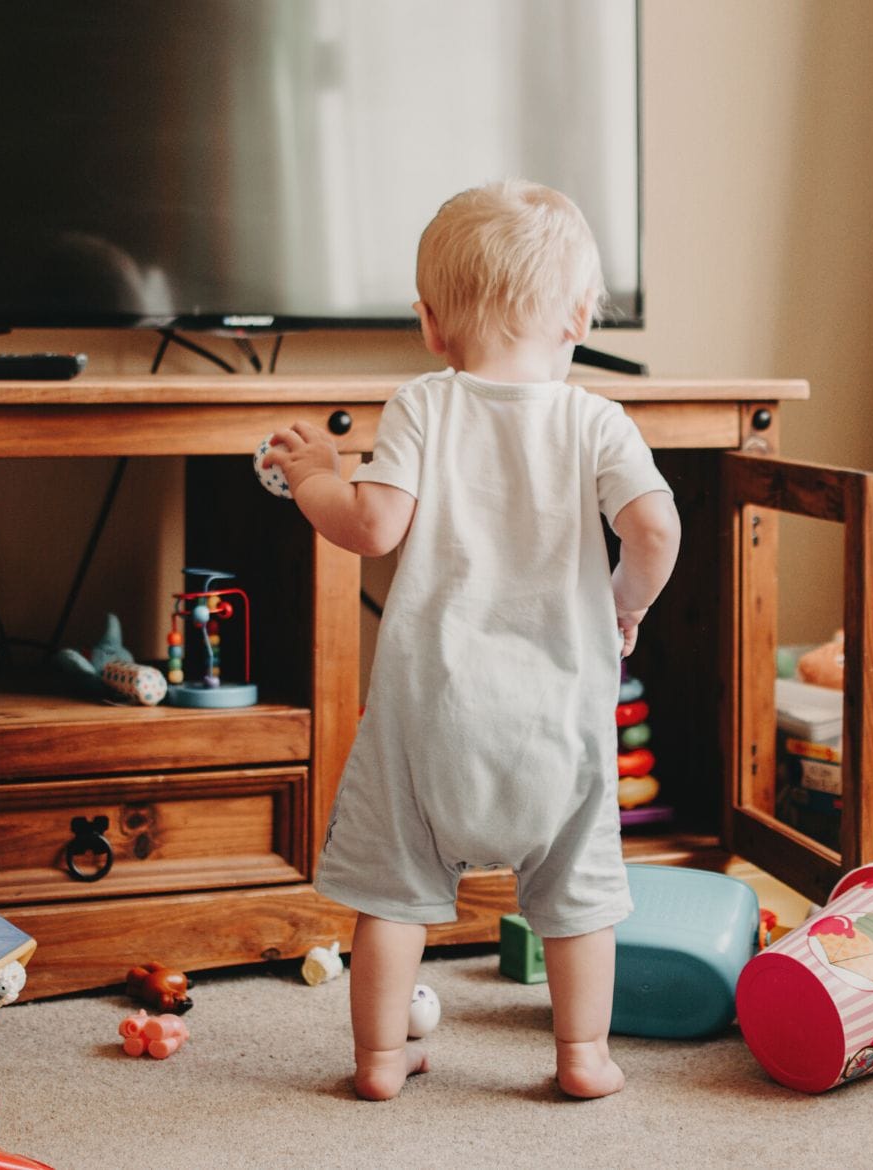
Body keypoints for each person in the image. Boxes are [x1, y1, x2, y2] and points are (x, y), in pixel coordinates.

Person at [262, 179, 680, 1101]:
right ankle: (581, 1057)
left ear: (431, 324)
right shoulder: (597, 419)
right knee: (576, 902)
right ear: (579, 313)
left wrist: (315, 475)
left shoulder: (424, 404)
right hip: (561, 718)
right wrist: (624, 604)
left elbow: (370, 528)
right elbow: (655, 532)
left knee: (394, 895)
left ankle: (379, 1060)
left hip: (430, 717)